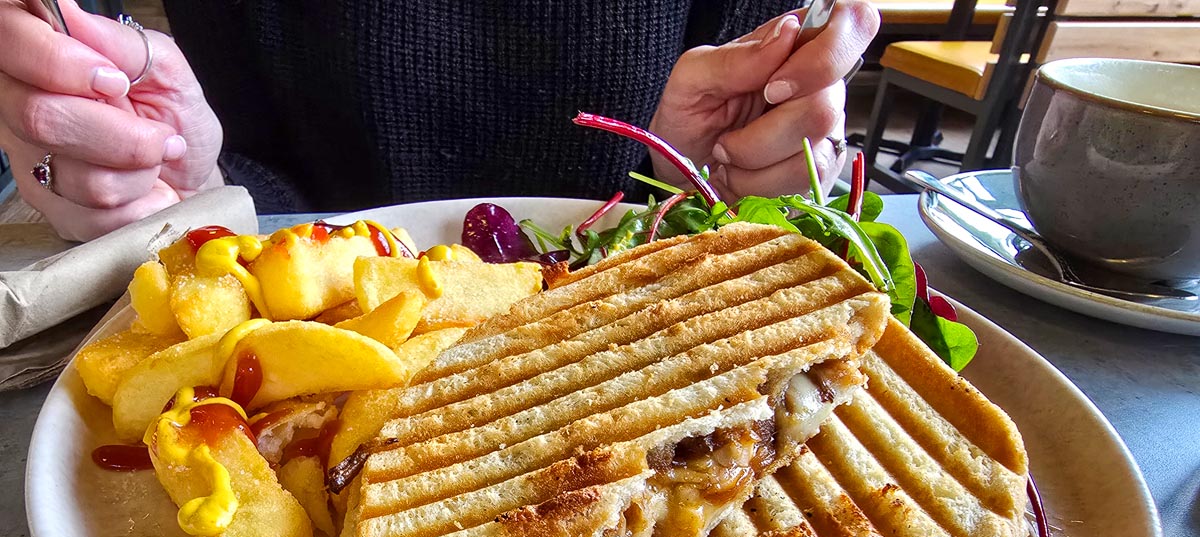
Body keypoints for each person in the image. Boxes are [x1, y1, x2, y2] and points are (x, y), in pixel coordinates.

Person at [0, 0, 878, 242]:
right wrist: (186, 182)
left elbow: (749, 139)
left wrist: (725, 176)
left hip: (647, 292)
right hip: (286, 292)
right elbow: (241, 160)